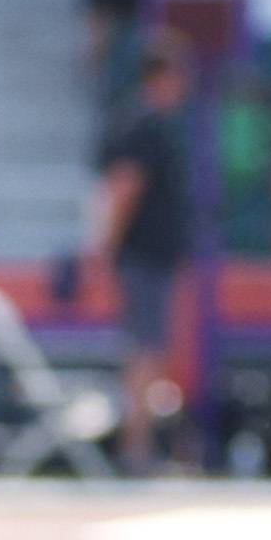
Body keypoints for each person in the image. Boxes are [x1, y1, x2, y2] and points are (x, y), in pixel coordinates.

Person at [76, 36, 206, 469]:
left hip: (154, 255)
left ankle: (142, 443)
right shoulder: (143, 124)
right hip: (145, 257)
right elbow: (123, 188)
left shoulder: (147, 123)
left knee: (152, 350)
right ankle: (137, 446)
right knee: (145, 352)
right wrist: (105, 246)